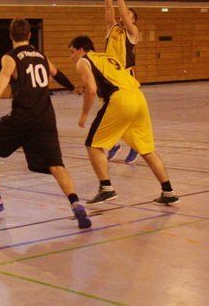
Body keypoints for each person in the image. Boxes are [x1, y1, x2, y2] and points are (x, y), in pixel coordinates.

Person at [0, 18, 91, 229]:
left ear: (11, 35)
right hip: (45, 118)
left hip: (22, 117)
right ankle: (76, 204)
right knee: (56, 165)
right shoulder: (41, 57)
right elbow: (56, 74)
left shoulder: (11, 57)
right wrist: (72, 87)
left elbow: (4, 75)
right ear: (29, 35)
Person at [69, 35, 179, 206]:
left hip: (120, 100)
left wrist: (84, 114)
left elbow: (91, 90)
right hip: (139, 97)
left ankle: (106, 189)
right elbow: (107, 78)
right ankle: (168, 191)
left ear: (81, 50)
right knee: (147, 149)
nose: (71, 56)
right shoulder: (106, 57)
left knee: (93, 145)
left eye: (72, 52)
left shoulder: (83, 61)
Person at [101, 0, 140, 164]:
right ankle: (114, 144)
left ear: (133, 20)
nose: (125, 15)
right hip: (109, 77)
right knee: (108, 114)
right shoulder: (113, 28)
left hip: (125, 77)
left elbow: (122, 12)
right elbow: (109, 8)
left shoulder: (133, 32)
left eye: (129, 15)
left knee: (127, 114)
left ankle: (135, 145)